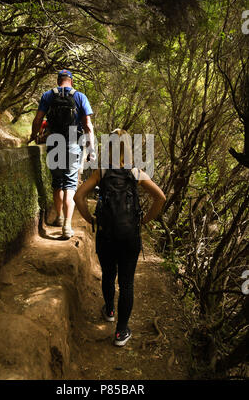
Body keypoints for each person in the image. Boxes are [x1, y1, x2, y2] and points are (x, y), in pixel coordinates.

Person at [74, 129, 166, 346]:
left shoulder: (102, 172)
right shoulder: (135, 172)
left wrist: (91, 219)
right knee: (126, 283)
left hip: (106, 234)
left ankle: (110, 310)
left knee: (108, 274)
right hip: (129, 236)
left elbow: (78, 196)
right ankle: (121, 332)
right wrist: (144, 221)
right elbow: (160, 197)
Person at [28, 69, 95, 239]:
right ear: (71, 81)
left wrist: (33, 135)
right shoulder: (80, 97)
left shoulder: (48, 96)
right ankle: (67, 225)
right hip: (73, 142)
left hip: (54, 142)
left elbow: (38, 119)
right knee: (70, 185)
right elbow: (87, 125)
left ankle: (58, 217)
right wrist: (91, 148)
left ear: (58, 81)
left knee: (58, 182)